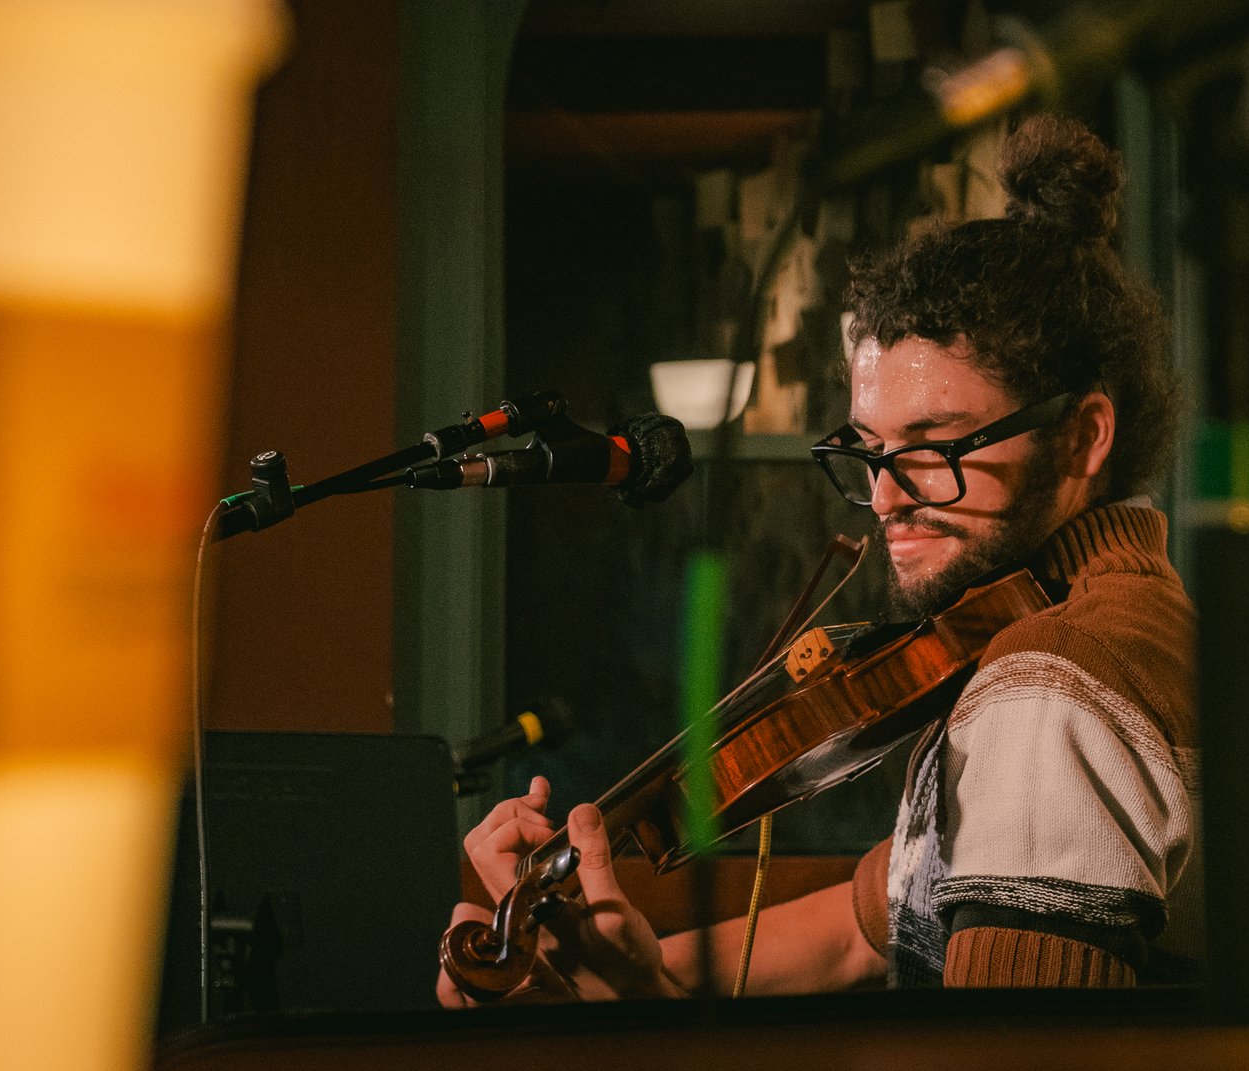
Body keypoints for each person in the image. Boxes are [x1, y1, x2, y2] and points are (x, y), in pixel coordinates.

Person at [439, 114, 1194, 1002]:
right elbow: (857, 927)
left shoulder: (1049, 691)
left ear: (1083, 436)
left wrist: (637, 1029)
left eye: (935, 448)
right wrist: (622, 984)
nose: (884, 496)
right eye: (870, 449)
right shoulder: (1109, 614)